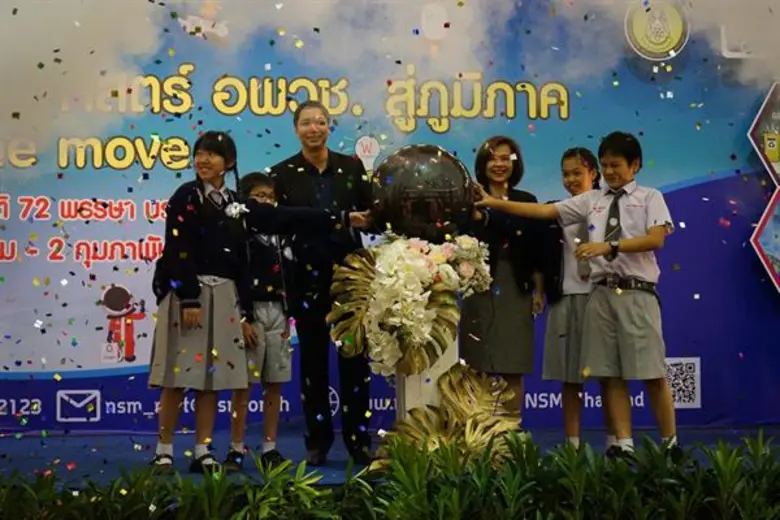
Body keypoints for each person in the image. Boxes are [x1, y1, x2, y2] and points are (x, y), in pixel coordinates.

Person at [149, 131, 370, 473]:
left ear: (229, 163)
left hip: (225, 297)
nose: (203, 160)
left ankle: (202, 451)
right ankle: (163, 451)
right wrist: (189, 296)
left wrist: (342, 219)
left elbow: (285, 217)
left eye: (212, 154)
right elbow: (177, 249)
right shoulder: (186, 196)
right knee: (177, 376)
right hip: (187, 296)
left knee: (210, 378)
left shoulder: (236, 204)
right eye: (199, 153)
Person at [475, 132, 679, 458]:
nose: (610, 171)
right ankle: (623, 446)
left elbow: (656, 239)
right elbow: (542, 213)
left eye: (616, 165)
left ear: (635, 165)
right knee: (610, 374)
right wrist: (494, 203)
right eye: (606, 165)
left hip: (636, 292)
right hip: (598, 293)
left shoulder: (650, 197)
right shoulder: (589, 201)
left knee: (652, 373)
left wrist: (609, 246)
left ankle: (670, 445)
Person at [269, 100, 375, 466]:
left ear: (330, 127)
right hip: (306, 277)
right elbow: (283, 221)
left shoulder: (352, 167)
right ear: (296, 129)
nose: (313, 129)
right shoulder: (282, 174)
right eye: (306, 123)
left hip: (350, 276)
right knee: (313, 363)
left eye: (320, 122)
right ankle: (317, 441)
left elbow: (372, 214)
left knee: (355, 361)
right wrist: (338, 218)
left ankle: (358, 440)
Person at [460, 136, 544, 414]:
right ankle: (477, 431)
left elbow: (535, 251)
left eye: (505, 158)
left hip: (516, 287)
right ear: (482, 164)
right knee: (477, 365)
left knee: (512, 365)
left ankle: (511, 432)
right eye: (493, 159)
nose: (499, 164)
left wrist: (538, 290)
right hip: (479, 287)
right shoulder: (468, 200)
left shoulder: (527, 201)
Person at [540, 147, 616, 450]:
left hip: (600, 296)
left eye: (577, 173)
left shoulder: (609, 207)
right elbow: (543, 258)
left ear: (593, 174)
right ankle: (572, 445)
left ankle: (615, 442)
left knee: (608, 375)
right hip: (566, 298)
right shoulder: (555, 212)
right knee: (570, 378)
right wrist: (539, 289)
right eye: (566, 174)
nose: (571, 179)